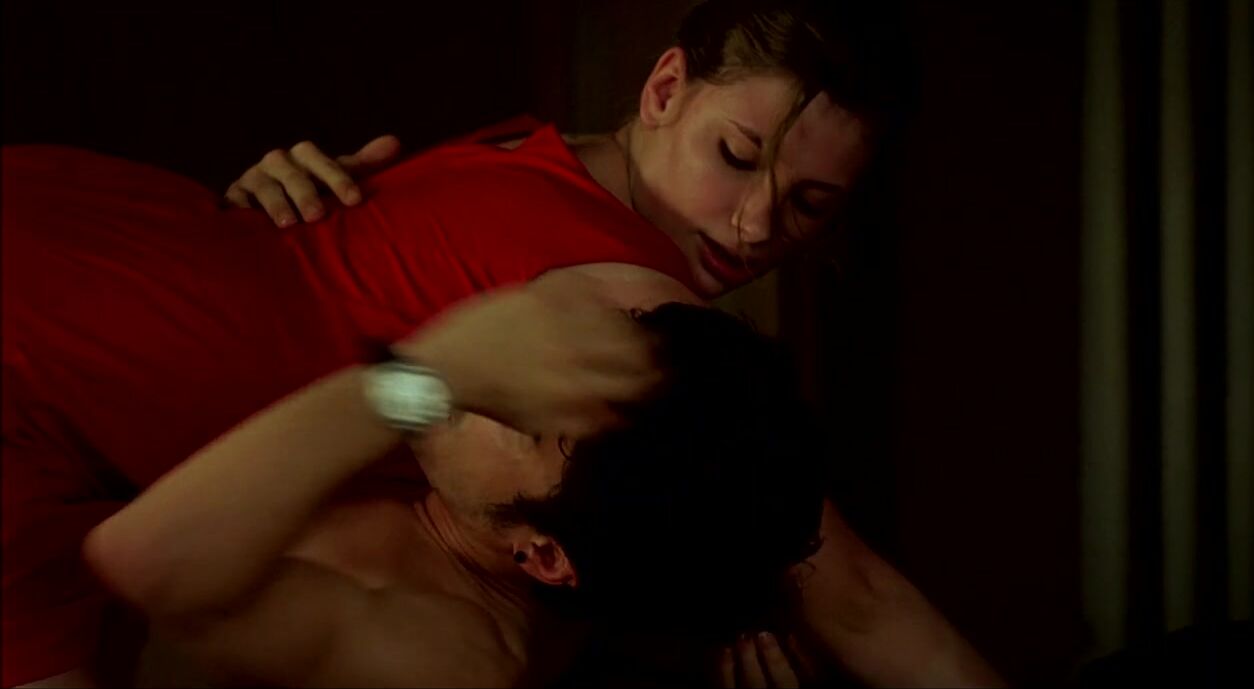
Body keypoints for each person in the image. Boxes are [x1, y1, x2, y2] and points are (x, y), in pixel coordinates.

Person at [2, 0, 1002, 686]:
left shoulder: (542, 156)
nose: (754, 227)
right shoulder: (628, 297)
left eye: (810, 205)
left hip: (79, 263)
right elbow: (853, 594)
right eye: (737, 157)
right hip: (49, 360)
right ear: (665, 89)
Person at [82, 293, 828, 687]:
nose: (508, 374)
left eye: (524, 418)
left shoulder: (451, 658)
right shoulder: (456, 487)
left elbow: (143, 559)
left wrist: (423, 380)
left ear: (543, 554)